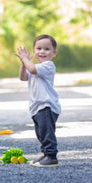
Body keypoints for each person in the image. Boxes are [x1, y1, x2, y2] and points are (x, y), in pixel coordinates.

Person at [16, 34, 61, 167]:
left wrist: (25, 60)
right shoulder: (35, 66)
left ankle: (51, 156)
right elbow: (23, 77)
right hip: (37, 106)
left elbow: (32, 69)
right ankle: (45, 154)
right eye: (39, 48)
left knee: (47, 132)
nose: (42, 51)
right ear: (34, 51)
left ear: (54, 53)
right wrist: (23, 63)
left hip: (47, 105)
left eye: (47, 49)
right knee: (41, 132)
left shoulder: (48, 66)